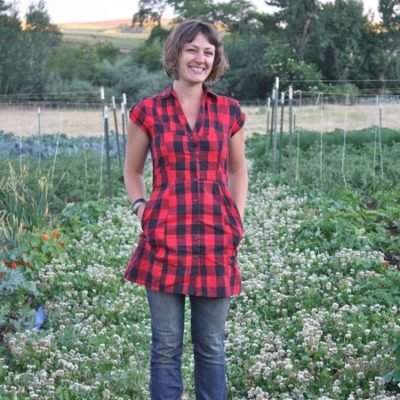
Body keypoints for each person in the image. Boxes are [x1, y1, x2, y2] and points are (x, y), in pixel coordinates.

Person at [123, 19, 248, 400]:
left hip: (215, 241)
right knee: (165, 348)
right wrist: (141, 208)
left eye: (208, 52)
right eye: (192, 49)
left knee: (211, 348)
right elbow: (132, 171)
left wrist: (236, 220)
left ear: (216, 59)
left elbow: (237, 170)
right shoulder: (148, 112)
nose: (201, 58)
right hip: (164, 242)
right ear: (176, 53)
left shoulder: (230, 111)